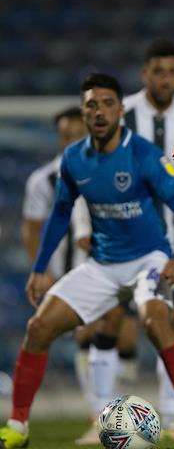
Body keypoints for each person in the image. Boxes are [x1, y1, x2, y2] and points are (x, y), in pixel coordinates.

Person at [0, 73, 174, 449]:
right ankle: (17, 426)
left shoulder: (144, 155)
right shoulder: (74, 159)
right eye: (91, 105)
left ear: (120, 110)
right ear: (84, 113)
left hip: (149, 258)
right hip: (103, 265)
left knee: (154, 322)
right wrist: (38, 269)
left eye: (107, 104)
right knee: (38, 328)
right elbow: (59, 215)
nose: (99, 112)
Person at [77, 39, 174, 442]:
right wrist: (84, 229)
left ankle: (173, 416)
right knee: (109, 322)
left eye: (172, 71)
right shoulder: (123, 116)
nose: (165, 78)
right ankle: (100, 417)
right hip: (119, 240)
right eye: (157, 71)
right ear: (145, 75)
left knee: (173, 323)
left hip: (168, 243)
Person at [21, 107, 98, 422]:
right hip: (70, 271)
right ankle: (101, 414)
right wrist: (44, 272)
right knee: (87, 335)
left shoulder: (108, 170)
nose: (72, 141)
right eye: (66, 135)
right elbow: (31, 231)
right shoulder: (43, 181)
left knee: (125, 338)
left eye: (78, 135)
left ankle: (115, 407)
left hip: (112, 266)